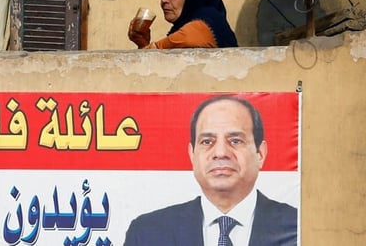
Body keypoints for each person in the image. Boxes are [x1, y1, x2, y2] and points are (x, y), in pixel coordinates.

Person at [123, 95, 297, 246]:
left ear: (260, 153)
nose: (220, 153)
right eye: (207, 142)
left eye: (235, 140)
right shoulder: (148, 233)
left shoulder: (297, 225)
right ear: (192, 155)